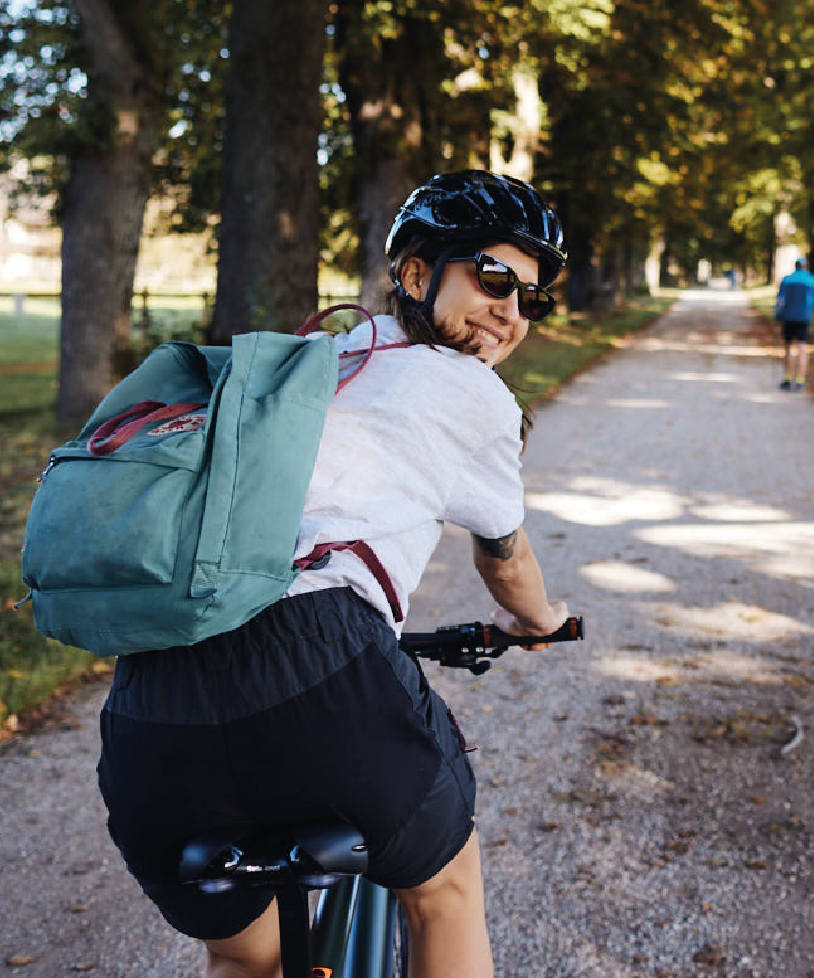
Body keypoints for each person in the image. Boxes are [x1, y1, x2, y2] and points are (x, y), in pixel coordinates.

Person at [96, 170, 570, 978]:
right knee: (445, 891)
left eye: (530, 298)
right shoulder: (468, 388)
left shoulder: (306, 363)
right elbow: (507, 557)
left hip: (151, 699)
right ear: (415, 272)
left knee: (244, 957)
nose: (509, 312)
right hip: (320, 663)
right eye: (492, 277)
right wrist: (541, 620)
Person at [775, 255, 814, 391]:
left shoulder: (787, 280)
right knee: (802, 349)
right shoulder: (812, 280)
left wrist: (777, 315)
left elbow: (780, 300)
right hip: (803, 318)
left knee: (788, 348)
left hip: (788, 317)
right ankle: (800, 381)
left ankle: (788, 379)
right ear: (804, 266)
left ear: (795, 266)